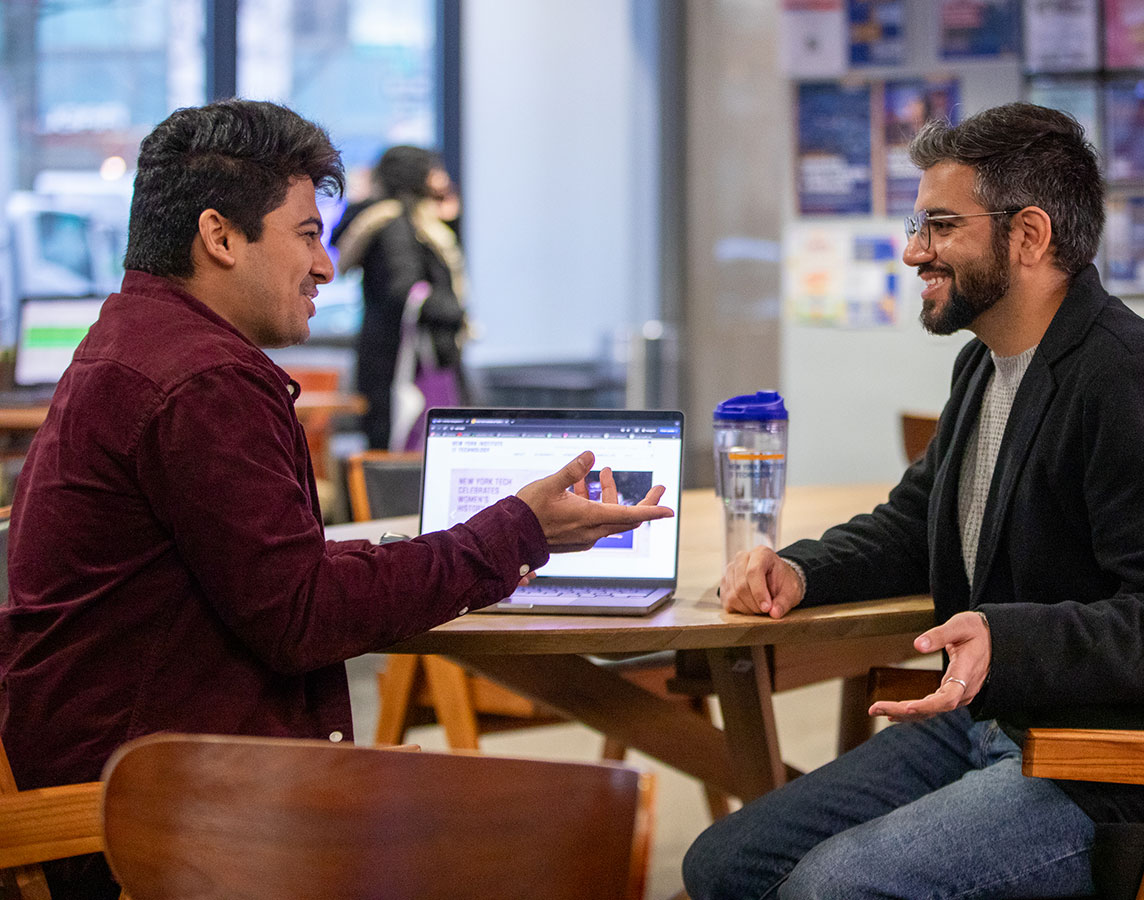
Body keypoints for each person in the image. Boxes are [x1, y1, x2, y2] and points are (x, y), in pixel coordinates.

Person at [0, 99, 671, 899]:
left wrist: (479, 539)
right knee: (573, 833)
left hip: (147, 777)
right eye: (308, 233)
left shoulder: (136, 342)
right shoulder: (202, 379)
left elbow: (267, 576)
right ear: (219, 237)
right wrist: (517, 531)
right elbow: (302, 617)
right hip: (155, 818)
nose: (326, 266)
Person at [683, 103, 1144, 899]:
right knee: (726, 864)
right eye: (919, 224)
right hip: (999, 719)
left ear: (1030, 236)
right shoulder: (987, 366)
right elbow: (915, 526)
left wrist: (1004, 638)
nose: (915, 251)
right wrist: (801, 572)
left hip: (1125, 758)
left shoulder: (1131, 379)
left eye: (941, 225)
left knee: (833, 888)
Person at [331, 145, 467, 450]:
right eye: (435, 170)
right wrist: (455, 313)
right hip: (399, 362)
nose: (442, 179)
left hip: (401, 357)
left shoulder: (413, 219)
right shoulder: (396, 223)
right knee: (400, 446)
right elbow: (405, 290)